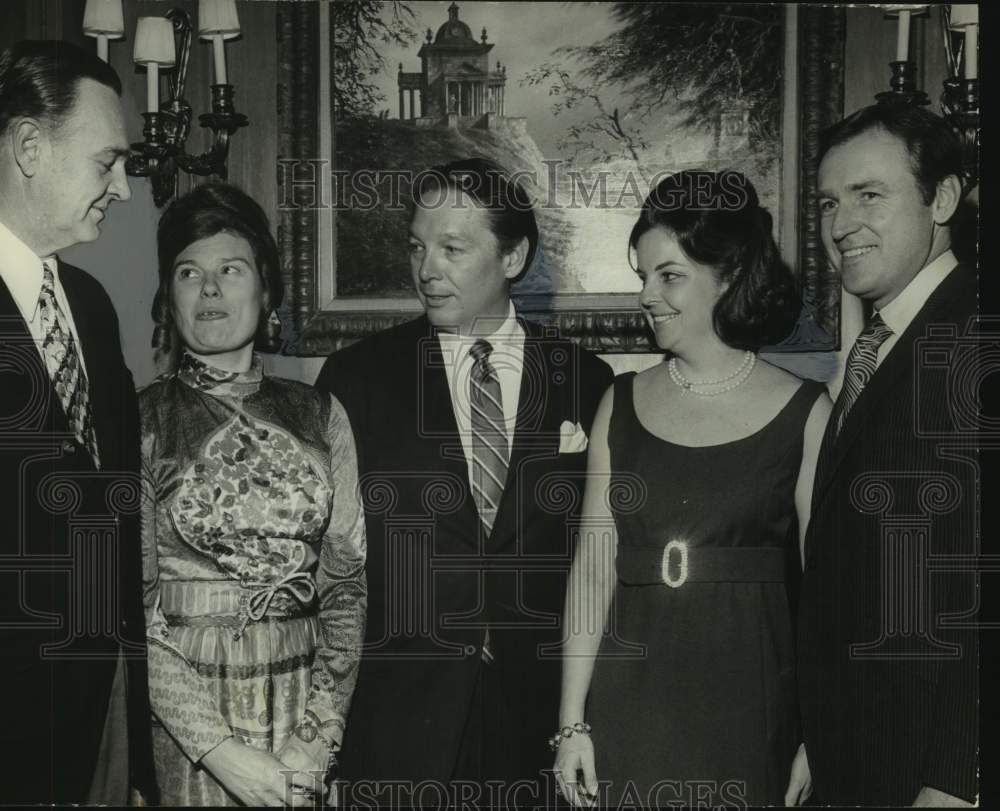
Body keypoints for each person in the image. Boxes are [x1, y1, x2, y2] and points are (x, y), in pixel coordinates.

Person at [315, 157, 612, 804]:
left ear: (513, 257)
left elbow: (601, 559)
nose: (427, 269)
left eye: (453, 248)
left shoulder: (587, 381)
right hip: (397, 724)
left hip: (536, 721)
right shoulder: (355, 380)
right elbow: (333, 567)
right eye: (418, 247)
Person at [554, 170, 831, 809]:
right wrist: (572, 725)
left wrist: (817, 733)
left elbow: (829, 596)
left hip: (751, 711)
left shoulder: (805, 411)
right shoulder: (617, 404)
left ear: (728, 275)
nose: (648, 294)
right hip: (628, 711)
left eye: (669, 275)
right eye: (643, 276)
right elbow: (592, 572)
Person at [139, 183, 367, 806]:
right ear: (169, 298)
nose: (209, 289)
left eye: (230, 270)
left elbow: (345, 587)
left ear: (266, 292)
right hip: (189, 726)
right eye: (189, 272)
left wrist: (318, 738)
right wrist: (220, 753)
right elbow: (132, 612)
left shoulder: (321, 415)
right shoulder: (141, 421)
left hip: (304, 717)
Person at [797, 105, 978, 806]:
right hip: (860, 758)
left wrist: (960, 777)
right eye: (828, 203)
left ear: (944, 199)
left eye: (869, 195)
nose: (841, 225)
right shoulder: (879, 346)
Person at [0, 40, 156, 804]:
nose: (124, 189)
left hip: (98, 723)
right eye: (107, 163)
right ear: (30, 146)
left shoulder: (90, 304)